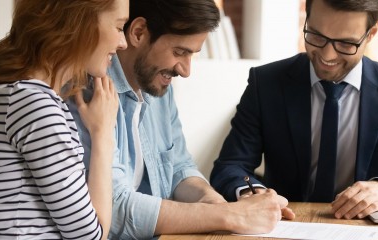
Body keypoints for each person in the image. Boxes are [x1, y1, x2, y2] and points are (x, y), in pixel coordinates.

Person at [66, 0, 294, 239]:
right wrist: (231, 216)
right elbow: (116, 209)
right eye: (180, 52)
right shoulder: (86, 93)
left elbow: (179, 167)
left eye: (191, 55)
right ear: (138, 33)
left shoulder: (158, 87)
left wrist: (215, 202)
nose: (186, 71)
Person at [210, 0, 378, 220]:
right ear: (307, 18)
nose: (326, 56)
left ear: (371, 33)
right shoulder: (267, 83)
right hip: (286, 225)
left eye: (345, 44)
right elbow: (230, 166)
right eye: (316, 36)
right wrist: (253, 194)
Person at [0, 0, 128, 238]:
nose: (123, 42)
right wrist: (103, 132)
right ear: (79, 23)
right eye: (119, 27)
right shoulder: (33, 104)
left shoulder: (19, 96)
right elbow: (91, 236)